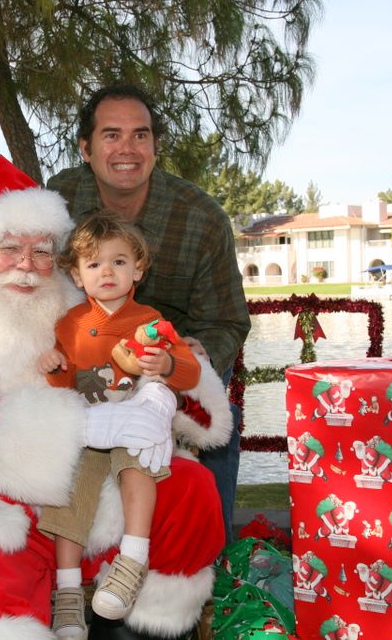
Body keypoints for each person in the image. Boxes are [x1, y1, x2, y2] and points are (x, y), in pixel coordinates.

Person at [0, 155, 231, 640]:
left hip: (95, 487)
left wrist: (165, 385)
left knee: (190, 489)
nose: (29, 265)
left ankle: (139, 627)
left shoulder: (79, 307)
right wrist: (82, 425)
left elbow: (139, 362)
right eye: (9, 248)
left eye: (43, 251)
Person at [47, 83, 252, 541]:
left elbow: (228, 319)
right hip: (85, 353)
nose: (127, 149)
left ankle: (207, 553)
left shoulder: (201, 217)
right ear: (86, 147)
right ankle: (63, 565)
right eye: (112, 135)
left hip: (167, 358)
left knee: (211, 412)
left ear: (156, 147)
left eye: (140, 136)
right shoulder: (56, 202)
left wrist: (203, 355)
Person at [36, 210, 227, 638]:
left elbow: (192, 376)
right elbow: (63, 385)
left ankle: (132, 560)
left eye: (119, 261)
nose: (107, 272)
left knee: (136, 462)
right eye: (94, 264)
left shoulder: (152, 323)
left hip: (136, 426)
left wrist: (168, 362)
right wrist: (53, 366)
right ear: (76, 275)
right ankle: (67, 595)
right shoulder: (69, 325)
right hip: (87, 428)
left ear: (138, 268)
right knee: (66, 487)